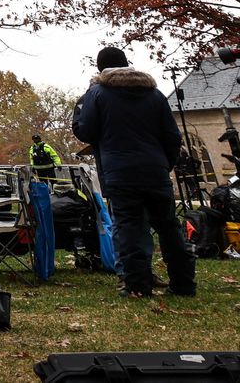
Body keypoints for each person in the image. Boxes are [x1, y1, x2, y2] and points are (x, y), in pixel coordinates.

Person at [74, 45, 194, 298]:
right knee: (169, 227)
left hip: (119, 172)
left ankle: (137, 285)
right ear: (127, 63)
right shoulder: (155, 94)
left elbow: (85, 131)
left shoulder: (97, 94)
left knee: (128, 227)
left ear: (100, 68)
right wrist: (165, 163)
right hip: (155, 170)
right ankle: (183, 283)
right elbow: (173, 137)